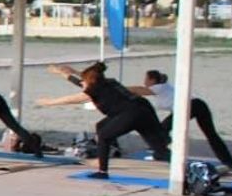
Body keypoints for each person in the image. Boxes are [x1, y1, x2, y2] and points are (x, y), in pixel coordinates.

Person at [38, 62, 168, 178]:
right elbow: (82, 81)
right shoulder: (108, 82)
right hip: (143, 108)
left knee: (104, 135)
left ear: (91, 81)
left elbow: (75, 98)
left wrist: (50, 102)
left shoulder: (94, 88)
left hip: (131, 114)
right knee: (102, 126)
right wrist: (64, 73)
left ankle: (102, 171)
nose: (83, 83)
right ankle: (176, 161)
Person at [128, 69, 232, 167]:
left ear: (152, 80)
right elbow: (139, 92)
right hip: (198, 105)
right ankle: (228, 161)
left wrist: (118, 87)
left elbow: (137, 90)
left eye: (146, 78)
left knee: (162, 129)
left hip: (189, 106)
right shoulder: (163, 87)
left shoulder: (158, 88)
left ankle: (160, 153)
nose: (144, 81)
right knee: (210, 134)